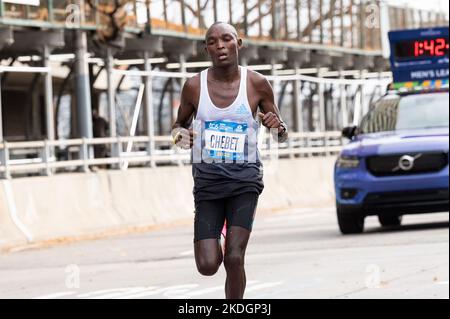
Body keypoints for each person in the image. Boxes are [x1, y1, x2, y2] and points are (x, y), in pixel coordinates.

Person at [172, 22, 288, 299]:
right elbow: (177, 128)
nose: (220, 45)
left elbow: (280, 134)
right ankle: (213, 236)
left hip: (244, 181)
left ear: (239, 43)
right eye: (212, 41)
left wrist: (277, 126)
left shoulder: (257, 84)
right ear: (206, 48)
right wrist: (181, 137)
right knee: (208, 265)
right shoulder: (193, 86)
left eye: (226, 39)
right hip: (208, 184)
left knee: (234, 258)